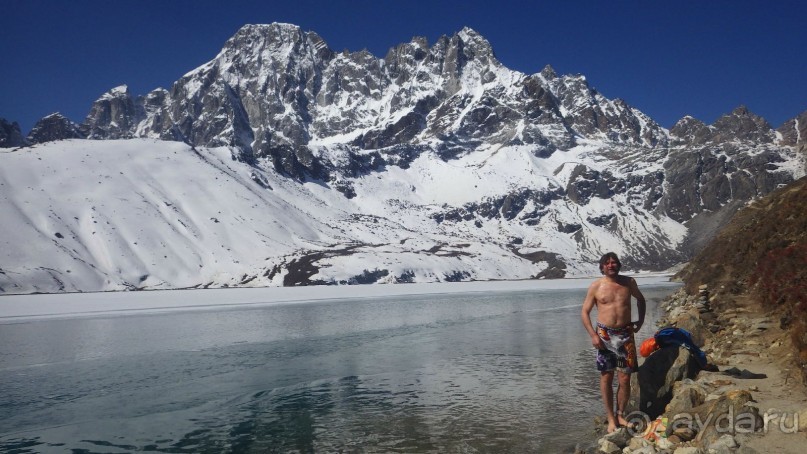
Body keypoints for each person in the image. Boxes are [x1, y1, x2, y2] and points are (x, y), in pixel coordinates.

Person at [580, 252, 646, 433]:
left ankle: (621, 415)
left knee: (625, 378)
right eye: (607, 263)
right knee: (606, 377)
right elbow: (584, 312)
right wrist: (593, 335)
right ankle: (610, 418)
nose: (611, 265)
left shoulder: (629, 283)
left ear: (619, 265)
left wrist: (640, 322)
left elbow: (640, 300)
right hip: (604, 336)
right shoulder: (596, 286)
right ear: (602, 267)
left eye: (614, 262)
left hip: (625, 334)